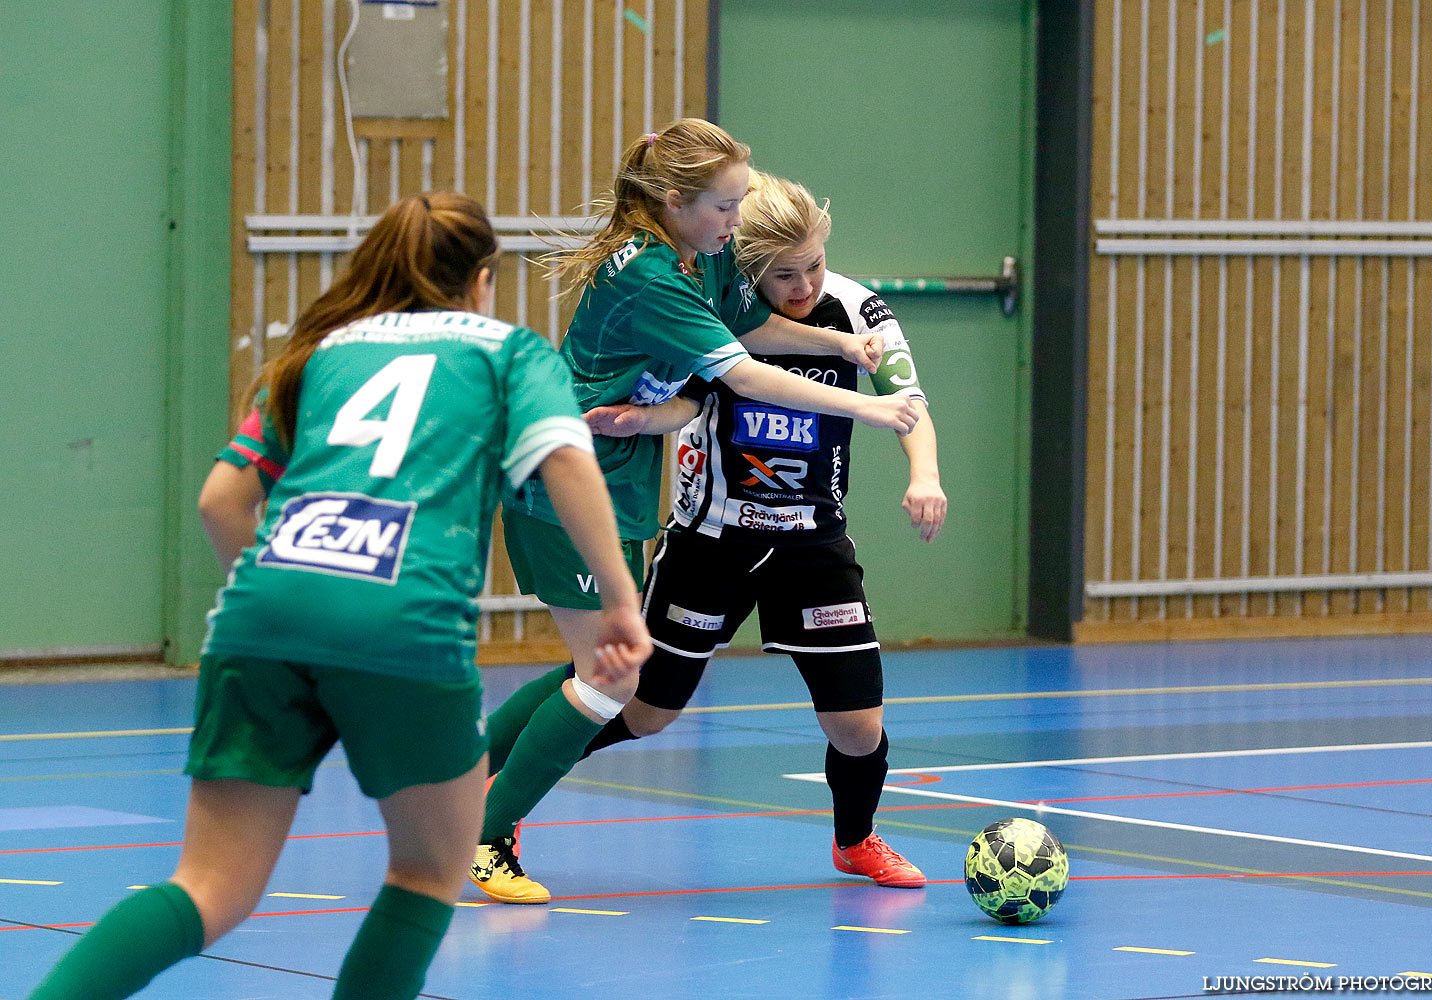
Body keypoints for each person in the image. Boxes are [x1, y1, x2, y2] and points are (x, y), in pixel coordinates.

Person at [25, 192, 649, 1000]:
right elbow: (566, 461)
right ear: (482, 280)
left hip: (261, 611)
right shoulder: (508, 353)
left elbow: (222, 501)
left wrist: (288, 591)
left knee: (207, 888)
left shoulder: (319, 353)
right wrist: (624, 603)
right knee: (428, 871)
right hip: (401, 616)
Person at [469, 118, 924, 904]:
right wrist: (875, 412)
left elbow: (751, 328)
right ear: (676, 202)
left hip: (611, 473)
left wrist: (850, 352)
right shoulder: (651, 277)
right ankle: (482, 837)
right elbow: (745, 374)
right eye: (726, 205)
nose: (737, 220)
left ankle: (463, 782)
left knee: (604, 669)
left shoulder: (702, 254)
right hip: (561, 476)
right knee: (613, 682)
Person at [577, 170, 946, 888]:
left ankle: (856, 840)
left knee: (858, 725)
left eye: (813, 264)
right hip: (712, 541)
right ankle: (507, 785)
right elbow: (690, 402)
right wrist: (643, 420)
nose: (804, 284)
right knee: (648, 711)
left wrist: (923, 474)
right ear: (749, 269)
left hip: (813, 542)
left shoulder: (858, 310)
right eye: (784, 274)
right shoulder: (717, 305)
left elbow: (907, 399)